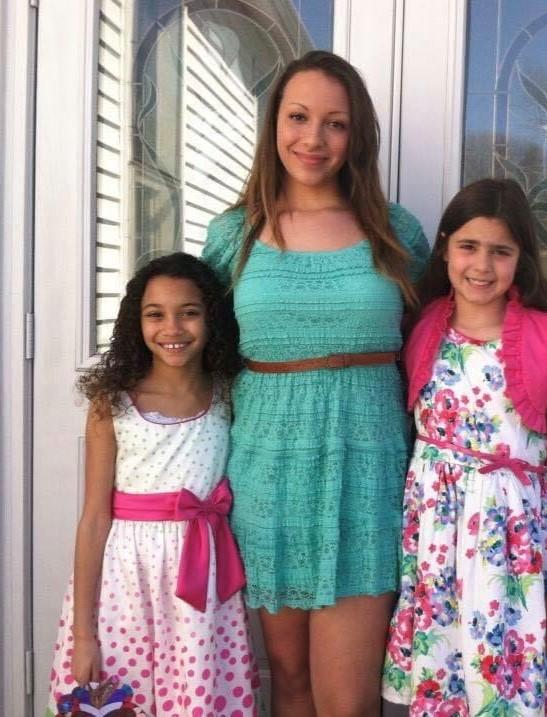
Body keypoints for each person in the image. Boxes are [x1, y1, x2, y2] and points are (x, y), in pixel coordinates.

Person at [202, 50, 429, 716]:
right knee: (289, 679)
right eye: (298, 117)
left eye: (335, 123)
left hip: (365, 476)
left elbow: (441, 342)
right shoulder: (233, 234)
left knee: (347, 697)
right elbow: (196, 349)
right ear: (273, 124)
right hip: (265, 478)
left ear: (356, 135)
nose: (313, 138)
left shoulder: (396, 231)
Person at [382, 178, 547, 716]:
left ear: (522, 259)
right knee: (444, 688)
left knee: (502, 691)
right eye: (468, 246)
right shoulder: (421, 326)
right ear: (446, 246)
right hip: (434, 550)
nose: (482, 265)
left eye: (501, 251)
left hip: (510, 555)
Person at [46, 253, 259, 717]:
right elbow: (94, 517)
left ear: (212, 318)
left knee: (196, 693)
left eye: (189, 312)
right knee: (124, 696)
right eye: (155, 314)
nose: (173, 328)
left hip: (200, 579)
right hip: (126, 582)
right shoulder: (113, 401)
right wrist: (85, 634)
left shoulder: (228, 394)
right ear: (135, 322)